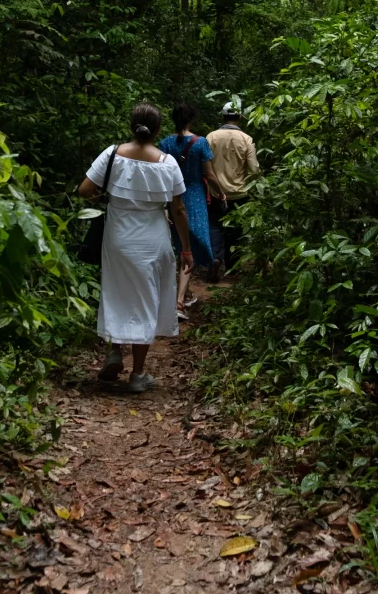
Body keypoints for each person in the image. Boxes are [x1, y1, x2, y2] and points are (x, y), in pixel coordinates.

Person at [78, 102, 192, 392]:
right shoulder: (167, 163)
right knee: (147, 300)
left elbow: (85, 191)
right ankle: (138, 375)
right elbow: (178, 209)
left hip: (117, 236)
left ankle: (115, 351)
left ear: (132, 125)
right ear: (157, 130)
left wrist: (110, 199)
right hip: (152, 239)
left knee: (117, 291)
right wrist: (187, 249)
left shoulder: (112, 154)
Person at [160, 102, 226, 313]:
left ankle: (182, 294)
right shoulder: (200, 143)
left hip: (171, 197)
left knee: (179, 246)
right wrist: (220, 192)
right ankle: (179, 301)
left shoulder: (165, 143)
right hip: (195, 197)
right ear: (192, 119)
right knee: (189, 249)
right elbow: (209, 174)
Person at [206, 99, 260, 278]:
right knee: (235, 229)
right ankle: (232, 266)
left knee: (215, 226)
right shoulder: (246, 139)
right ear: (240, 117)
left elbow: (204, 165)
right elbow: (253, 169)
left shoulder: (211, 137)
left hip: (215, 191)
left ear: (223, 116)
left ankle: (215, 259)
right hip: (239, 193)